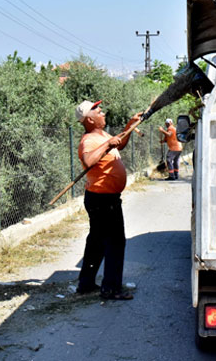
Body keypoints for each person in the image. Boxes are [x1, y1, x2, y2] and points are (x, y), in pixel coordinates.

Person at [74, 99, 142, 300]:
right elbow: (88, 160)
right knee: (115, 242)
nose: (103, 113)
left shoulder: (102, 135)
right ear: (89, 119)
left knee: (96, 242)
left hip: (104, 198)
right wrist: (107, 144)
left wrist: (129, 127)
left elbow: (118, 144)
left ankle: (86, 284)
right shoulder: (89, 140)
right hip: (102, 200)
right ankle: (111, 289)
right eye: (98, 112)